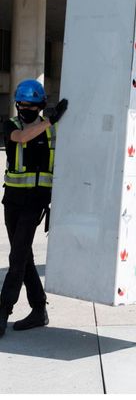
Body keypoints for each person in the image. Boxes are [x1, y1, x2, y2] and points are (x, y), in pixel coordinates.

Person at [3, 79, 69, 335]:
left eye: (32, 105)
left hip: (36, 201)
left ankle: (3, 310)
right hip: (12, 200)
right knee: (23, 255)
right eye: (22, 104)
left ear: (41, 105)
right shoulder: (12, 125)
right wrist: (49, 121)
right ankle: (39, 309)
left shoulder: (52, 131)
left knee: (18, 255)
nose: (26, 109)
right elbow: (20, 138)